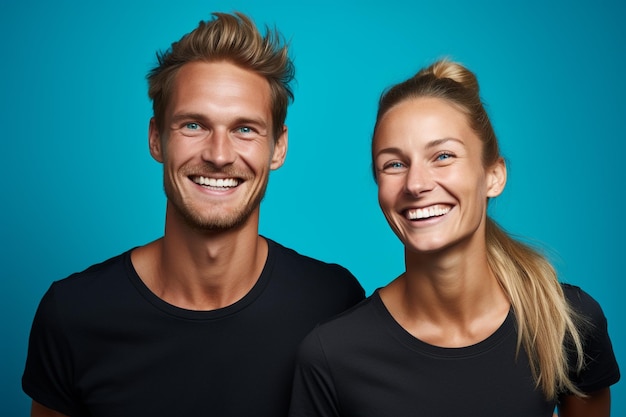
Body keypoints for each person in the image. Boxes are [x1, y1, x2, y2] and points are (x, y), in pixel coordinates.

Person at [22, 12, 364, 417]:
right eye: (193, 125)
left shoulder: (333, 303)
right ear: (156, 138)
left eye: (245, 129)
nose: (218, 155)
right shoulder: (73, 314)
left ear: (278, 147)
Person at [289, 59, 620, 417]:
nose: (416, 184)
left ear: (493, 176)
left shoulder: (567, 319)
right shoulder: (331, 355)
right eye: (394, 164)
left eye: (443, 156)